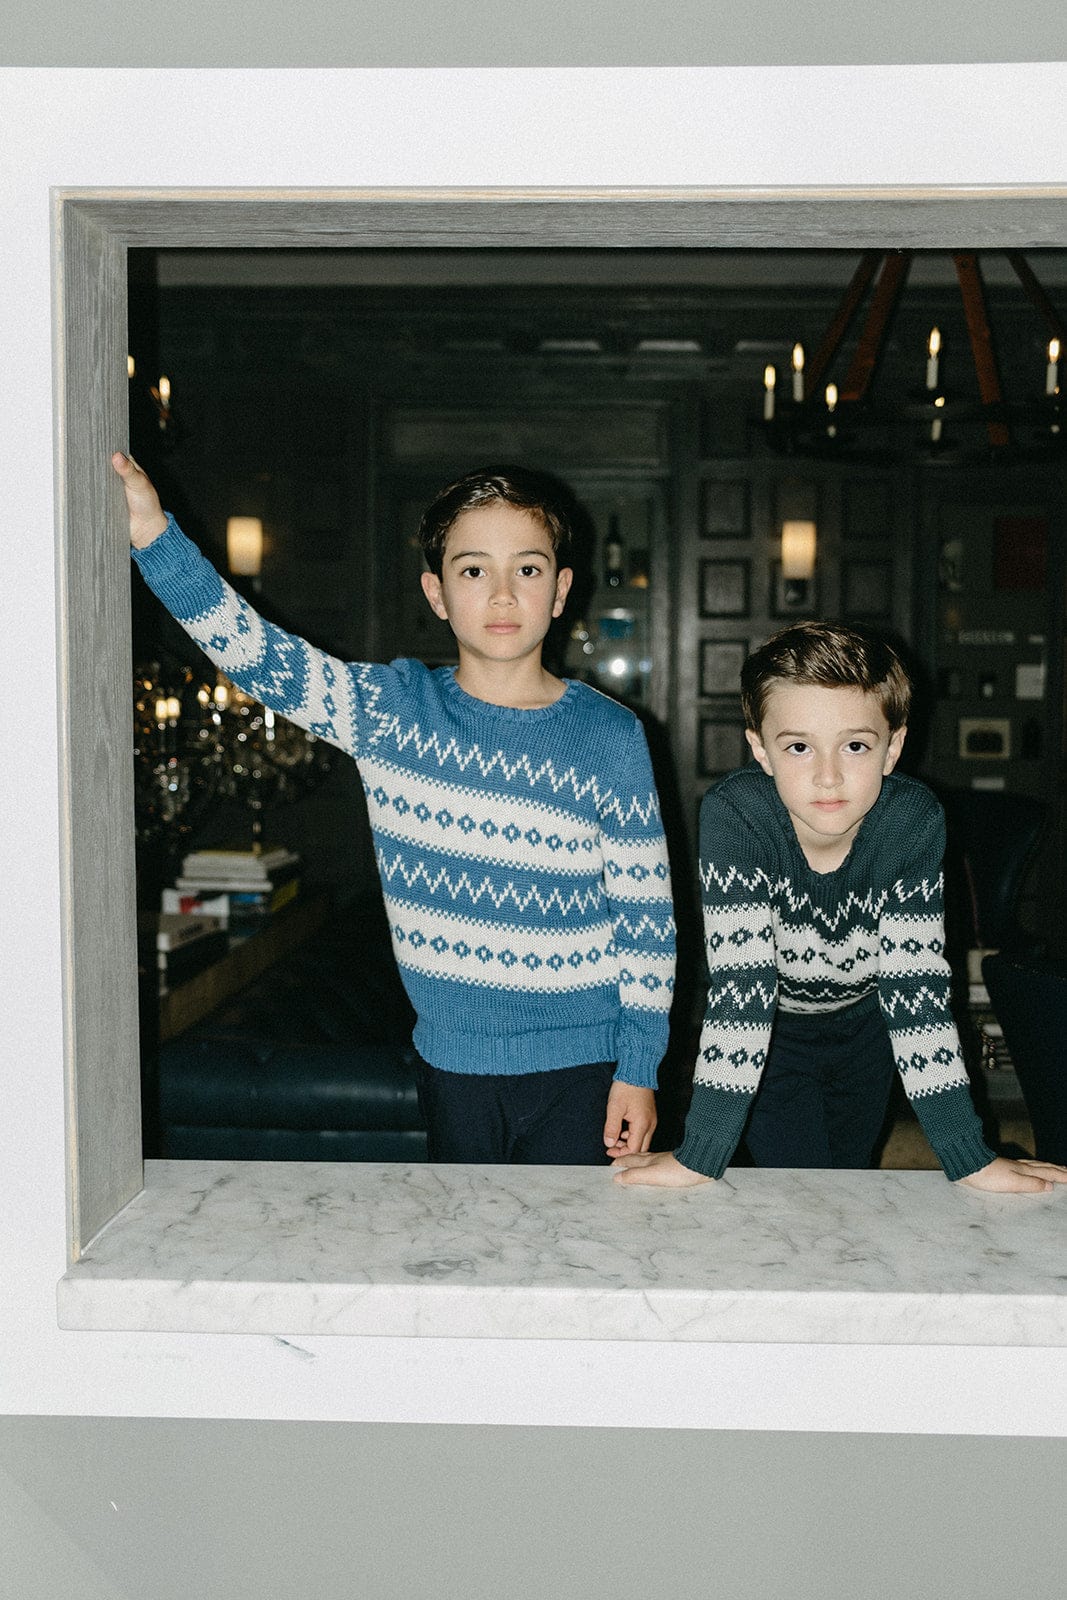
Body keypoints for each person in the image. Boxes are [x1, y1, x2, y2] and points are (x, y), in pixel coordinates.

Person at [113, 452, 675, 1164]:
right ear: (436, 593)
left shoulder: (611, 735)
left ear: (561, 590)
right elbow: (255, 650)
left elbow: (646, 919)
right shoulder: (390, 712)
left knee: (575, 1241)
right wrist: (152, 535)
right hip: (452, 1066)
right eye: (473, 571)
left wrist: (639, 1068)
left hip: (587, 1069)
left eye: (528, 570)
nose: (503, 595)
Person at [613, 621, 1067, 1194]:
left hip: (867, 1027)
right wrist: (700, 1156)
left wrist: (970, 1159)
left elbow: (914, 989)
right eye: (798, 747)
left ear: (892, 747)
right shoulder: (737, 816)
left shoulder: (912, 821)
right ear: (761, 749)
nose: (828, 777)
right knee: (800, 1186)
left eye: (855, 745)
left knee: (849, 1179)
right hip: (773, 1032)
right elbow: (742, 990)